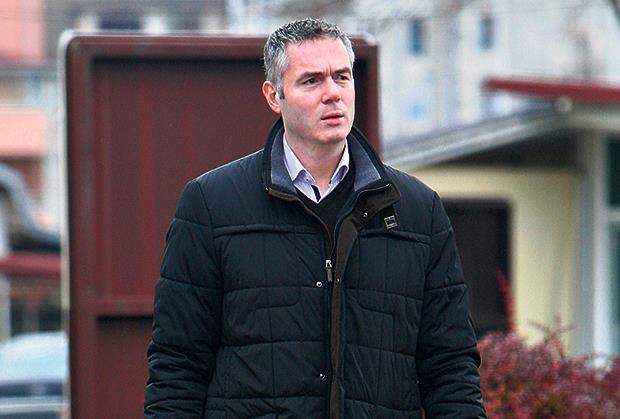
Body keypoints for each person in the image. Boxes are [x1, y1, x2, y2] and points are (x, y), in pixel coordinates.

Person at [144, 17, 486, 419]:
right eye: (311, 81)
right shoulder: (211, 205)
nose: (332, 94)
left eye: (342, 77)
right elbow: (178, 366)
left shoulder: (417, 210)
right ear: (274, 96)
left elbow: (451, 369)